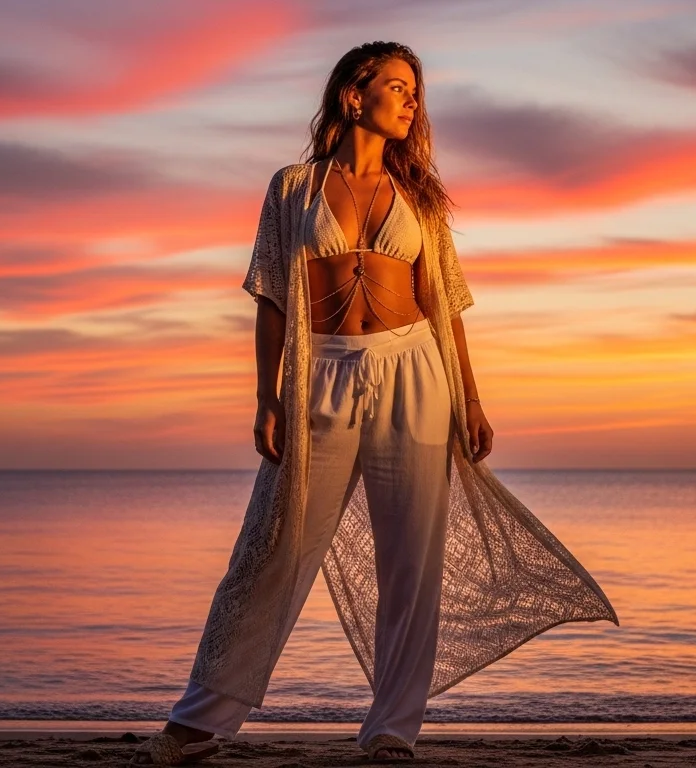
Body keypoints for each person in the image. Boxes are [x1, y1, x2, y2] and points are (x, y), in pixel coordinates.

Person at [133, 41, 618, 767]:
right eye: (397, 86)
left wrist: (470, 398)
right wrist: (268, 396)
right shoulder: (292, 187)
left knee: (410, 561)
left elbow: (445, 302)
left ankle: (393, 730)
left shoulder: (419, 196)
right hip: (319, 376)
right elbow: (271, 295)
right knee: (272, 546)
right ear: (353, 96)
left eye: (416, 91)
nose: (411, 100)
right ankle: (202, 717)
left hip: (415, 372)